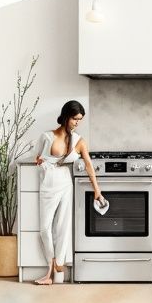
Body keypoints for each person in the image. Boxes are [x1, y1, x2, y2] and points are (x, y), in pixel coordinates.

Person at [32, 100, 107, 285]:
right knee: (45, 229)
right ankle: (52, 262)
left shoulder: (79, 141)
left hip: (65, 182)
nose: (77, 123)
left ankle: (57, 266)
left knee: (62, 227)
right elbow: (38, 156)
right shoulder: (47, 136)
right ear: (66, 116)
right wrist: (40, 161)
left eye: (80, 119)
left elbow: (88, 165)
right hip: (48, 183)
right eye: (75, 119)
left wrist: (97, 190)